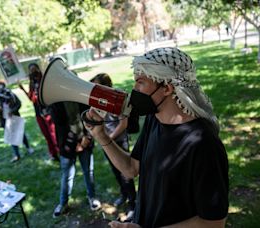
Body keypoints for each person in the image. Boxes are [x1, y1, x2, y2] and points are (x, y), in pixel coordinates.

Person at [84, 47, 229, 227]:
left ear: (167, 88)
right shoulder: (154, 120)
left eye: (140, 82)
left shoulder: (204, 144)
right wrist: (100, 135)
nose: (133, 90)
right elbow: (130, 168)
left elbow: (213, 223)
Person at [90, 73, 136, 222]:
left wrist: (108, 139)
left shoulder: (118, 100)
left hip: (119, 141)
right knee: (115, 172)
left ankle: (133, 204)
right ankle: (124, 195)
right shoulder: (100, 99)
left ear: (106, 85)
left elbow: (124, 124)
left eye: (98, 85)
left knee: (126, 174)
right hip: (108, 142)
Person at [50, 101, 101, 218]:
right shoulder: (55, 103)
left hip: (85, 141)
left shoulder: (80, 97)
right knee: (67, 175)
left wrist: (87, 137)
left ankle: (92, 197)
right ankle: (63, 203)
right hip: (67, 145)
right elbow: (59, 124)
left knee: (88, 171)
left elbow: (90, 118)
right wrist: (75, 143)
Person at [18, 63, 60, 161]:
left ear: (38, 69)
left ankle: (61, 152)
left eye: (34, 69)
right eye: (30, 70)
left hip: (47, 111)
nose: (32, 71)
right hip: (38, 112)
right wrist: (22, 89)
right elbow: (31, 98)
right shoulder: (31, 82)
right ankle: (53, 154)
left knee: (53, 133)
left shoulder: (44, 80)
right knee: (46, 134)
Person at [0, 80, 34, 163]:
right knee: (11, 137)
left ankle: (28, 147)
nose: (0, 87)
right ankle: (16, 154)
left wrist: (12, 110)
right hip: (4, 119)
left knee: (21, 133)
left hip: (14, 116)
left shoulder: (10, 94)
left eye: (1, 85)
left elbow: (19, 103)